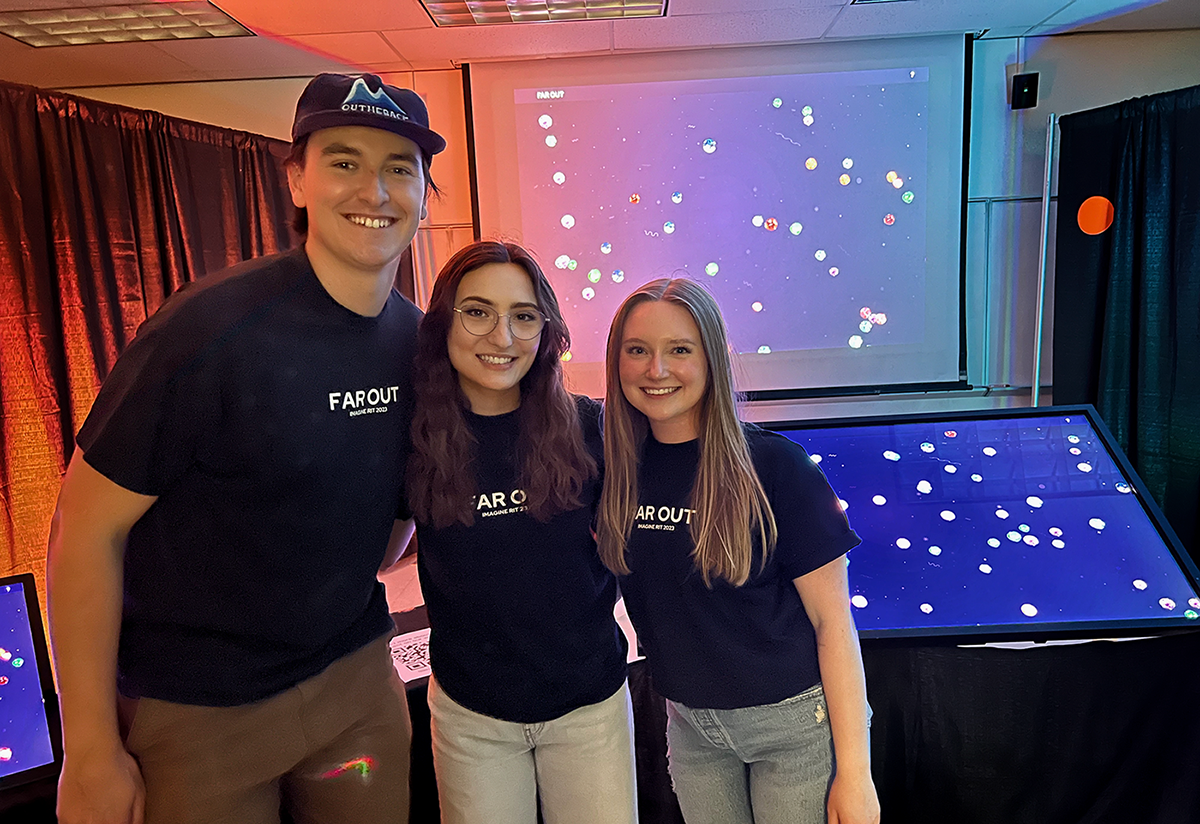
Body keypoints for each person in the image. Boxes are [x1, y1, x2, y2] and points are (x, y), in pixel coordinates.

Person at [45, 72, 445, 824]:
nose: (376, 190)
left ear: (424, 192)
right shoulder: (203, 333)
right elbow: (83, 530)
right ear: (297, 179)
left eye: (400, 168)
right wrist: (90, 746)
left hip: (353, 690)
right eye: (344, 161)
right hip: (199, 711)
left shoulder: (419, 345)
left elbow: (392, 531)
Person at [597, 278, 881, 824]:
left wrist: (856, 775)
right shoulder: (616, 473)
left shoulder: (777, 468)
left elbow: (833, 625)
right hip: (691, 726)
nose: (657, 370)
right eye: (638, 351)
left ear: (712, 360)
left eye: (680, 349)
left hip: (792, 728)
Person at [404, 240, 637, 824]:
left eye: (524, 316)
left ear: (546, 331)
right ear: (443, 322)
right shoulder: (412, 439)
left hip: (588, 709)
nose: (502, 337)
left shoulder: (592, 428)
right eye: (477, 311)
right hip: (471, 718)